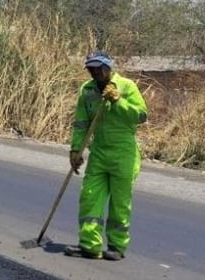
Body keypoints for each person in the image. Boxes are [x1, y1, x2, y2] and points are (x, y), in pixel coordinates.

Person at [64, 51, 148, 261]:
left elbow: (140, 116)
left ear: (108, 68)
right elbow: (81, 122)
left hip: (124, 153)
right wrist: (76, 150)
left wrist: (118, 100)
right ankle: (89, 245)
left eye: (98, 68)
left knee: (120, 203)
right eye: (91, 69)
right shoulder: (88, 90)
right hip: (99, 153)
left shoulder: (126, 86)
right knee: (90, 196)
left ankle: (117, 246)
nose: (95, 73)